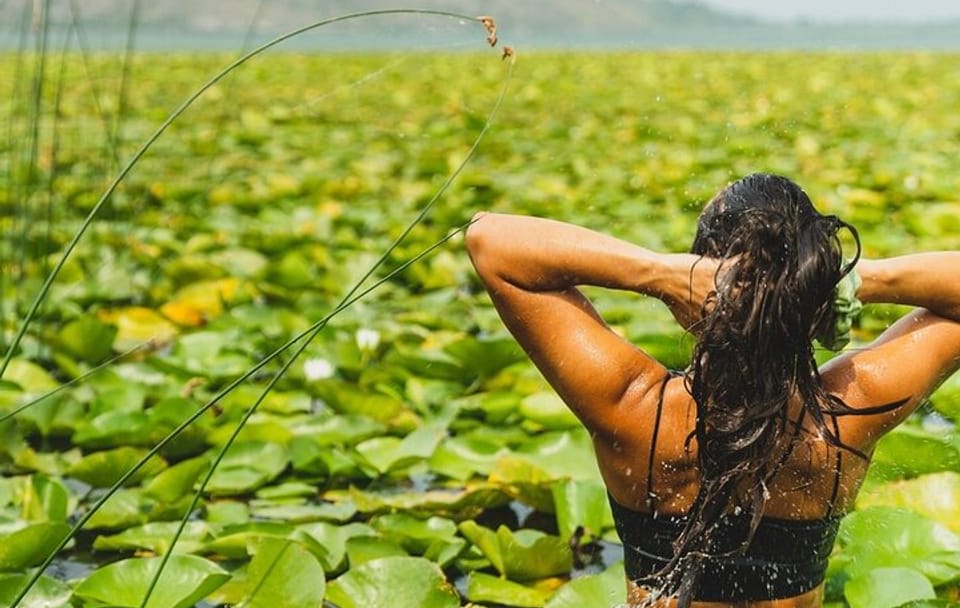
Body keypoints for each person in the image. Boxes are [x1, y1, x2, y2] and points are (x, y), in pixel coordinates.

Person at [464, 173, 960, 608]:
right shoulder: (844, 417)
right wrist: (850, 281)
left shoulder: (633, 409)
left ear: (697, 290)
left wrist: (658, 272)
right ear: (809, 299)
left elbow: (492, 240)